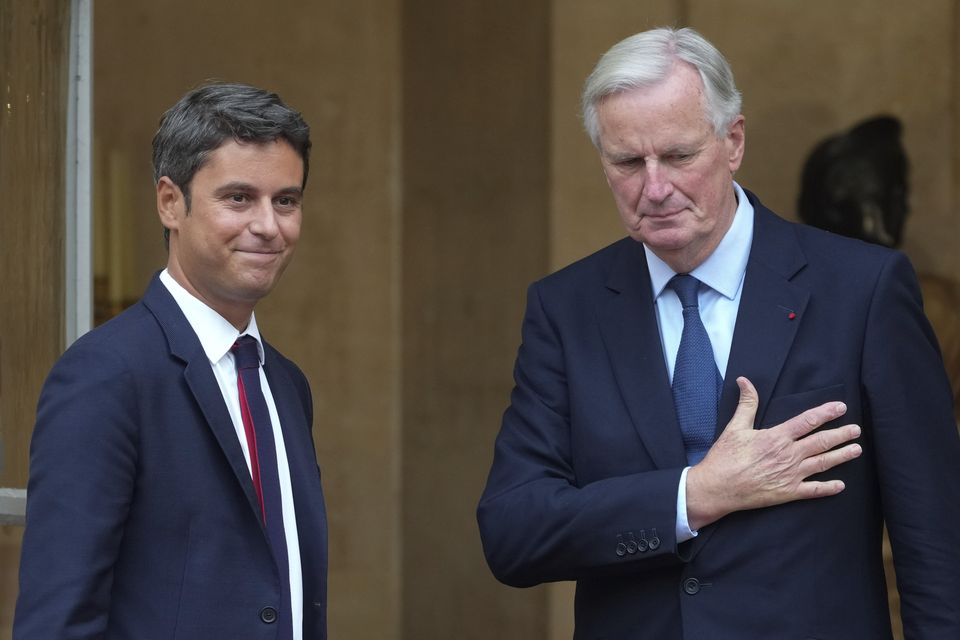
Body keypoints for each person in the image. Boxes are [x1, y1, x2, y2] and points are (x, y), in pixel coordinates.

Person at [477, 27, 960, 639]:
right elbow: (512, 530)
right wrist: (691, 496)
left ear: (733, 141)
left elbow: (936, 544)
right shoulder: (567, 309)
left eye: (679, 156)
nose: (654, 189)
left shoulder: (862, 291)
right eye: (628, 161)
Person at [15, 82, 328, 639]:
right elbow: (58, 620)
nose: (268, 226)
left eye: (286, 200)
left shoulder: (286, 385)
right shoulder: (105, 374)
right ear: (169, 202)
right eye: (238, 198)